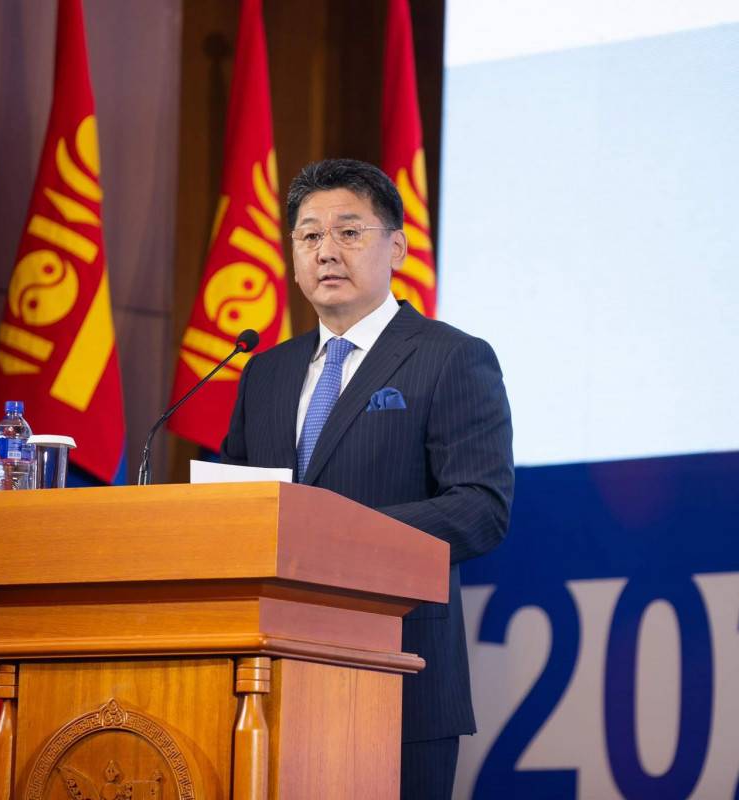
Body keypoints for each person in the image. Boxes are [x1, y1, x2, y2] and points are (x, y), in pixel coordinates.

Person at [221, 158, 513, 799]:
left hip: (400, 670)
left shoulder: (451, 357)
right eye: (309, 236)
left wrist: (335, 537)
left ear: (397, 248)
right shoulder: (265, 371)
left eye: (349, 232)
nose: (326, 251)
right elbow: (238, 509)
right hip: (265, 677)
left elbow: (479, 509)